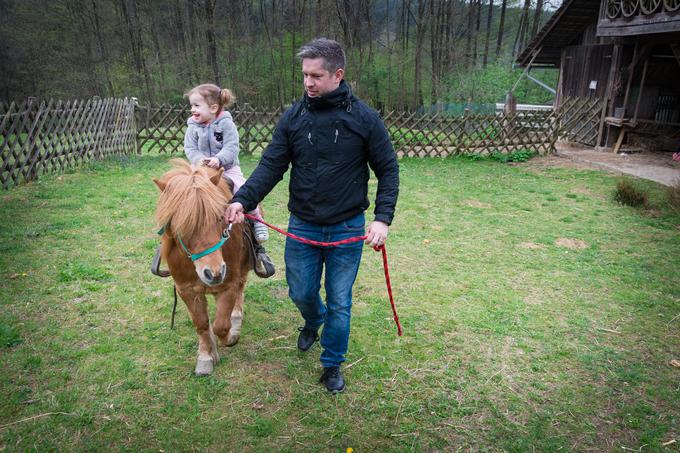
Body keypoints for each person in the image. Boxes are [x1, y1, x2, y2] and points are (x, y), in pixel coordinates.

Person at [226, 38, 399, 393]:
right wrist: (243, 200)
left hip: (347, 228)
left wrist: (382, 218)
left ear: (338, 74)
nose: (308, 82)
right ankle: (312, 319)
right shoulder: (294, 117)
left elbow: (389, 170)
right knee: (301, 291)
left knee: (340, 301)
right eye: (305, 75)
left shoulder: (365, 119)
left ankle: (332, 363)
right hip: (303, 225)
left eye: (316, 75)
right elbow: (271, 165)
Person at [183, 83, 270, 244]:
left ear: (213, 108)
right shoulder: (192, 127)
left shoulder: (226, 124)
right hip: (200, 170)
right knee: (184, 193)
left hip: (227, 169)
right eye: (191, 106)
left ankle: (256, 220)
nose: (192, 109)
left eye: (196, 105)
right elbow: (190, 148)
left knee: (242, 190)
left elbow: (231, 146)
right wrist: (199, 160)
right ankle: (176, 229)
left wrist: (219, 159)